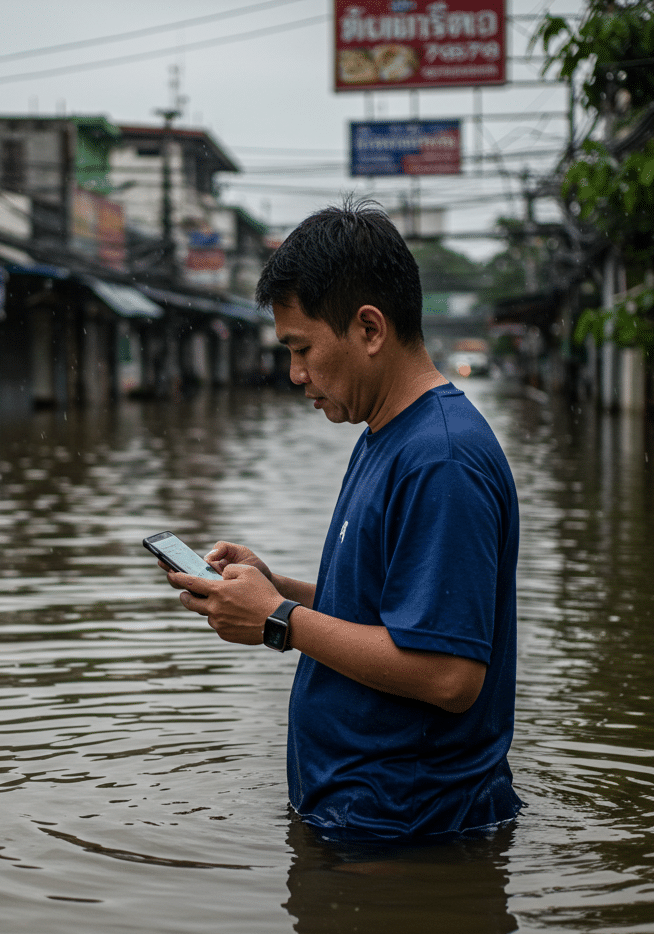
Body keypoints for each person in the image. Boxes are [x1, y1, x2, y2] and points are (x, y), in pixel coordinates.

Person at [163, 199, 522, 841]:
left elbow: (450, 675)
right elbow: (388, 610)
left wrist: (277, 621)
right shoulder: (386, 435)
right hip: (364, 818)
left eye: (302, 349)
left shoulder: (440, 459)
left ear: (369, 329)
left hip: (406, 832)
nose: (296, 375)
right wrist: (276, 590)